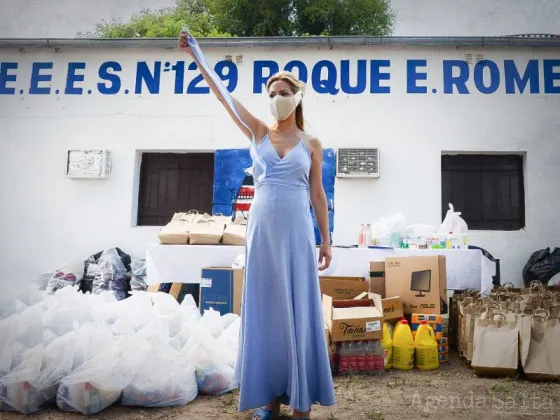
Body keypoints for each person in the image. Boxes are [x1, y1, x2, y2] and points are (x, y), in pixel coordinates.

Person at [179, 31, 336, 420]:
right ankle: (269, 400)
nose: (275, 98)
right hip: (262, 236)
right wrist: (197, 53)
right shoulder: (259, 132)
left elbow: (318, 195)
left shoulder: (312, 143)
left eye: (283, 91)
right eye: (270, 93)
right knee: (267, 312)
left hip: (298, 235)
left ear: (297, 97)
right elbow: (223, 96)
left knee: (298, 310)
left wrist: (326, 241)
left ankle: (301, 400)